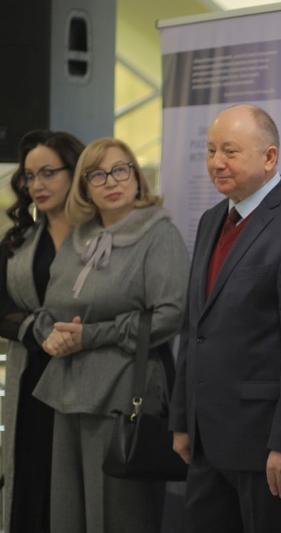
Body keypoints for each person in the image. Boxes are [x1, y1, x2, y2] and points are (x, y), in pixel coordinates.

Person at [169, 104, 281, 533]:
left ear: (269, 157)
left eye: (230, 151)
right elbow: (194, 326)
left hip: (270, 448)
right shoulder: (211, 221)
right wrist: (183, 421)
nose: (216, 162)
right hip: (207, 442)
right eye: (210, 151)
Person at [31, 138, 189, 533]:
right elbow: (50, 308)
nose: (111, 181)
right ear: (84, 187)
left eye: (120, 169)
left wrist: (90, 336)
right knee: (68, 514)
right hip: (67, 390)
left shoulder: (159, 234)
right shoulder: (78, 236)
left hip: (122, 394)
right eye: (97, 175)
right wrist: (49, 336)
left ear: (136, 176)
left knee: (117, 518)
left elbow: (170, 315)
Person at [0, 130, 84, 533]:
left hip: (86, 377)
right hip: (31, 376)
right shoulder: (19, 242)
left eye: (48, 173)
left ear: (74, 172)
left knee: (76, 489)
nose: (37, 185)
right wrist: (35, 330)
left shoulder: (103, 237)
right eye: (30, 176)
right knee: (32, 481)